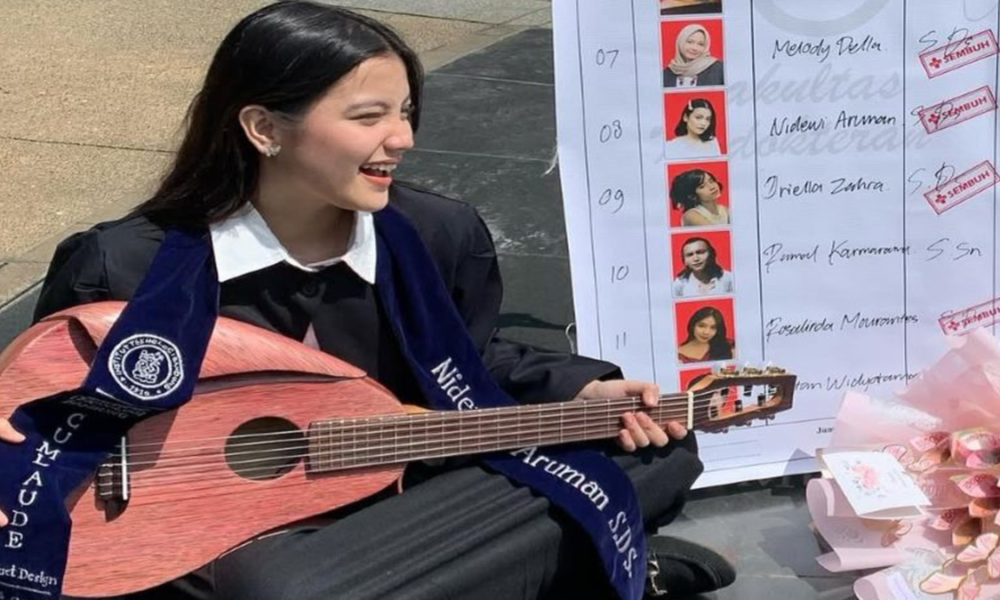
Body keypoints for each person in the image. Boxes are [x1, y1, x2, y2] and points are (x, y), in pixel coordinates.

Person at [0, 3, 734, 600]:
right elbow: (38, 406)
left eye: (406, 112)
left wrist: (582, 389)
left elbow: (468, 362)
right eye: (368, 116)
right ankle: (579, 563)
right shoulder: (127, 264)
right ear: (263, 128)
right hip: (219, 541)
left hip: (408, 494)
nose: (402, 138)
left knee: (654, 445)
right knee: (283, 590)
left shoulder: (435, 233)